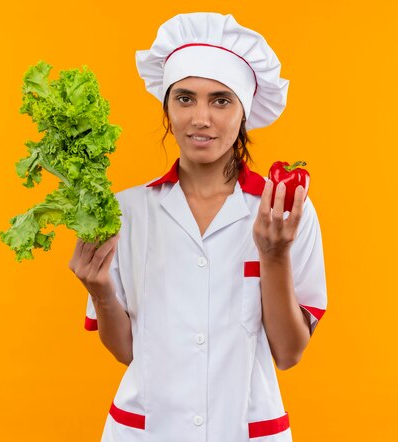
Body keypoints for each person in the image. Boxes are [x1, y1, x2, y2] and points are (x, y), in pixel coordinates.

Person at [69, 12, 327, 442]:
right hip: (144, 431)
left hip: (246, 429)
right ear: (167, 108)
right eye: (185, 98)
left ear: (245, 111)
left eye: (221, 100)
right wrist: (99, 291)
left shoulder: (284, 209)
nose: (200, 117)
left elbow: (289, 353)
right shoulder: (126, 211)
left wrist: (274, 255)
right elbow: (127, 351)